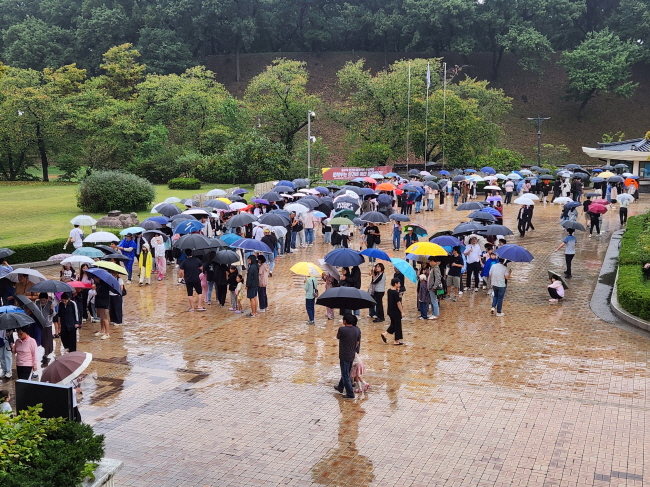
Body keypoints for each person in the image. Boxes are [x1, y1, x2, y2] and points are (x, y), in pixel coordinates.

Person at [334, 313, 361, 399]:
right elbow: (357, 342)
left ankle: (350, 393)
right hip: (352, 354)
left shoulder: (342, 329)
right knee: (347, 371)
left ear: (345, 321)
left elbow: (338, 336)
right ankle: (340, 386)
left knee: (345, 374)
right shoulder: (357, 330)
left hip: (344, 355)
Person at [382, 278, 404, 345]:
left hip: (390, 311)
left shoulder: (389, 291)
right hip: (395, 311)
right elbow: (398, 303)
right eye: (399, 283)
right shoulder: (395, 293)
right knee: (397, 325)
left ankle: (385, 334)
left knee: (393, 324)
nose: (400, 284)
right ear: (395, 284)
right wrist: (402, 312)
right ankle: (396, 341)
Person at [36, 293, 54, 367]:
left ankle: (46, 354)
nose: (42, 301)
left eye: (44, 300)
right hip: (39, 323)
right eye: (41, 300)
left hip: (47, 324)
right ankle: (43, 353)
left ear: (47, 299)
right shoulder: (37, 303)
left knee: (47, 339)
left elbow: (54, 314)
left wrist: (52, 310)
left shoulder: (50, 303)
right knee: (41, 339)